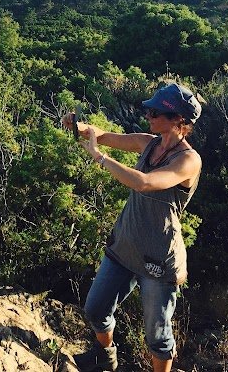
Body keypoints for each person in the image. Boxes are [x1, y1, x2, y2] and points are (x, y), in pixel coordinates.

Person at [63, 83, 203, 372]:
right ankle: (105, 357)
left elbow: (145, 183)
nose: (148, 115)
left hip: (159, 258)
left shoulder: (188, 160)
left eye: (155, 112)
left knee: (157, 337)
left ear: (179, 119)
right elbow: (101, 135)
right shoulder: (148, 142)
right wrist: (77, 127)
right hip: (125, 245)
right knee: (96, 309)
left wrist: (99, 158)